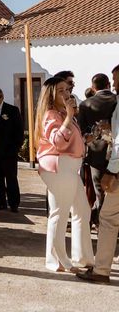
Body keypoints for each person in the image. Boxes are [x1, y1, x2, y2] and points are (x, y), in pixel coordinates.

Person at [35, 77, 94, 272]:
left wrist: (85, 139)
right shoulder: (53, 114)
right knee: (60, 214)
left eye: (66, 89)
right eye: (60, 90)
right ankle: (58, 261)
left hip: (68, 167)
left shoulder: (61, 113)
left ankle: (83, 257)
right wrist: (69, 116)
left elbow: (69, 141)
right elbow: (58, 142)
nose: (66, 93)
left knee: (82, 211)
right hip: (60, 166)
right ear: (51, 94)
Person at [77, 64, 119, 284]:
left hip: (106, 162)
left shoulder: (87, 104)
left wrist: (112, 171)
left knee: (108, 218)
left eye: (117, 79)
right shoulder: (115, 102)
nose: (114, 84)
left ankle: (101, 271)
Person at [77, 73, 117, 227]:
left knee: (100, 191)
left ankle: (101, 224)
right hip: (116, 152)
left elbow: (81, 131)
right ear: (108, 84)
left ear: (93, 87)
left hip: (96, 154)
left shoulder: (86, 104)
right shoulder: (117, 100)